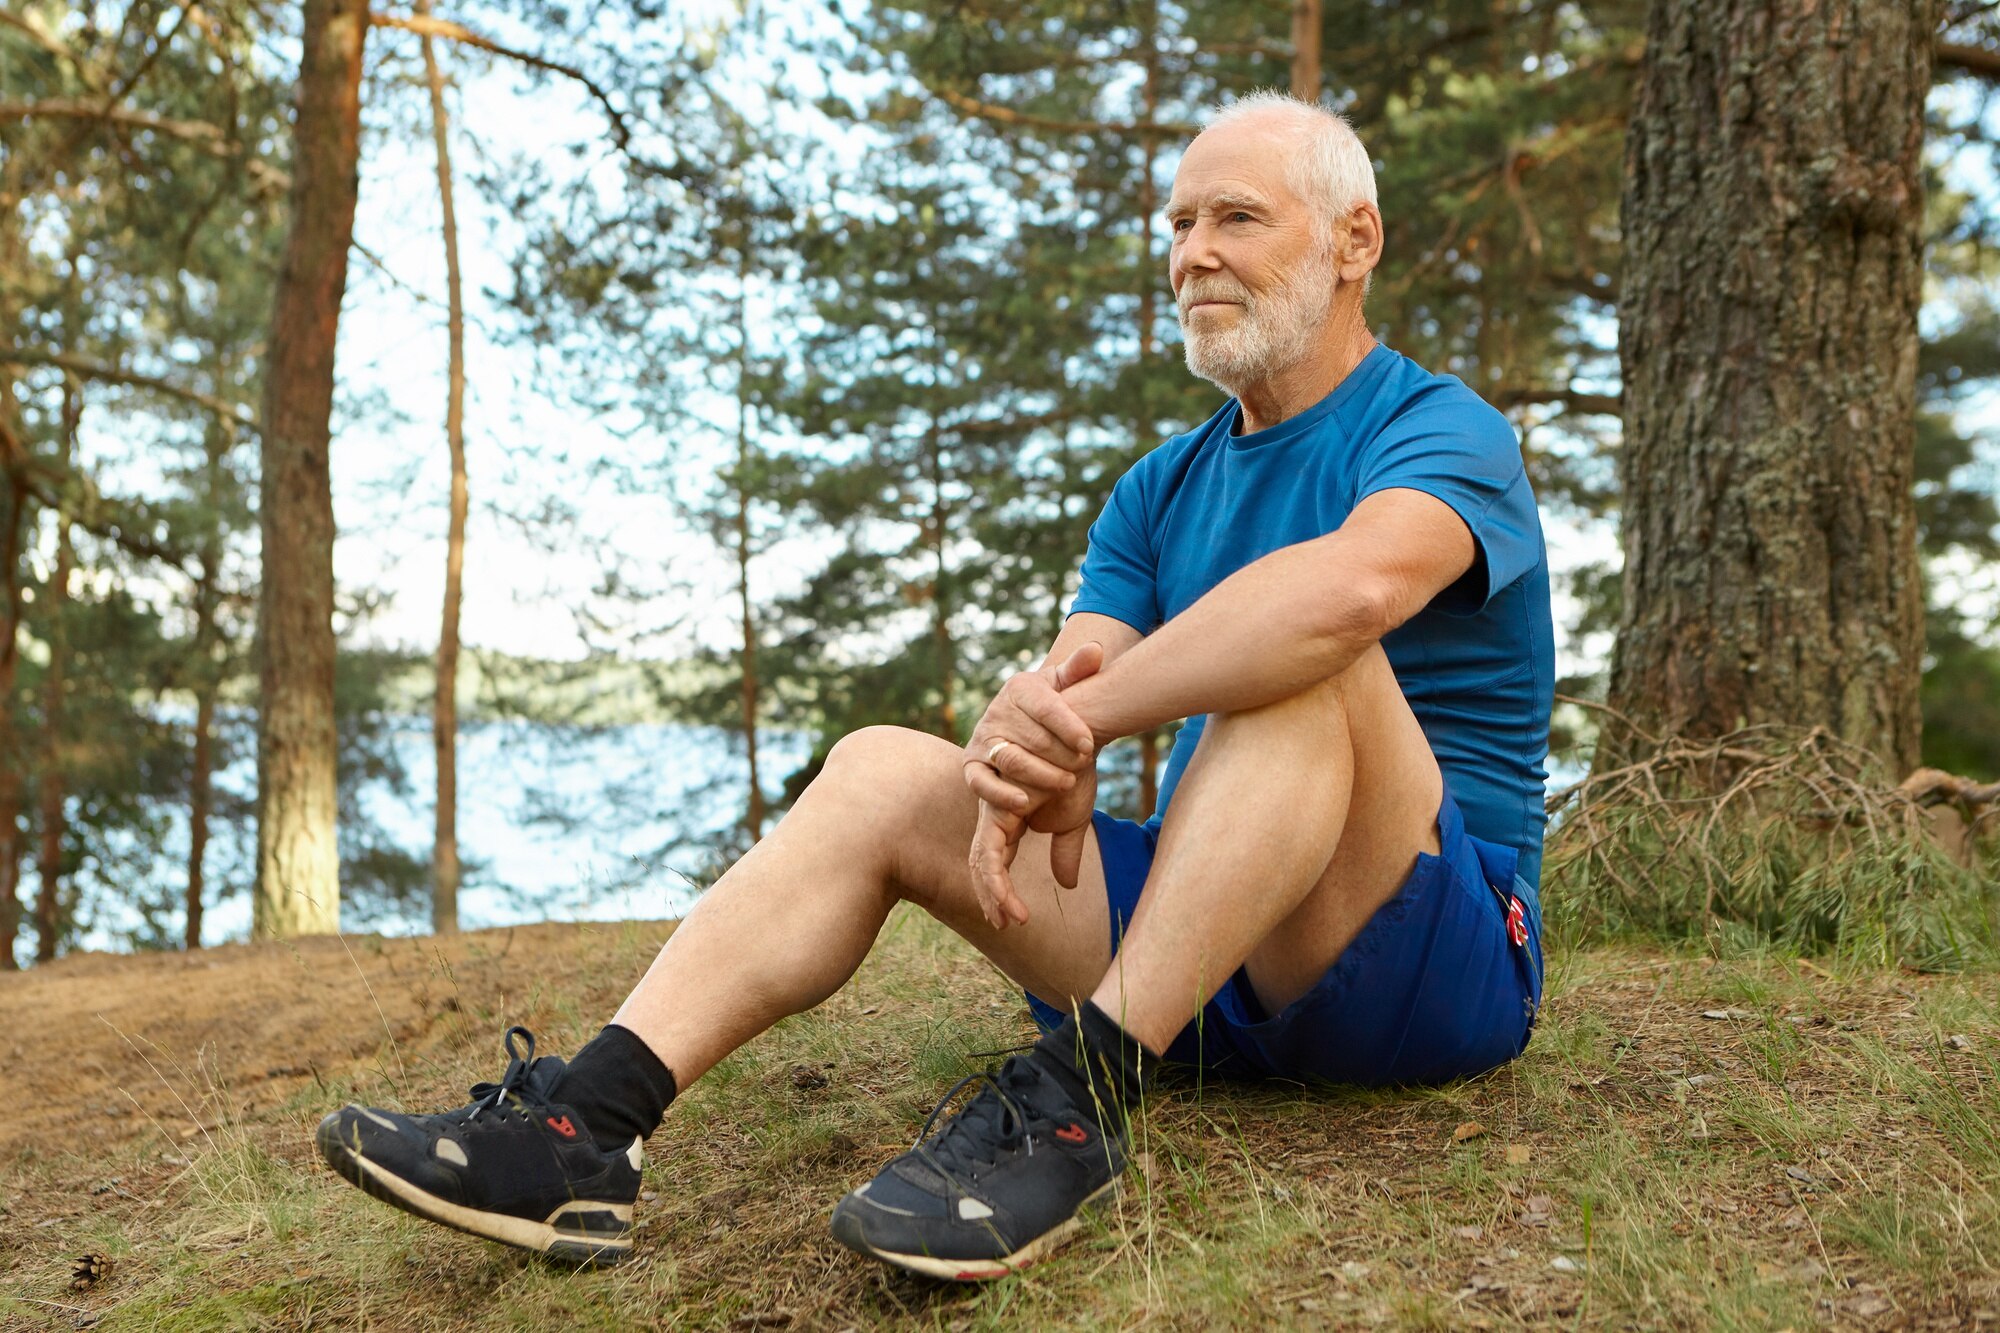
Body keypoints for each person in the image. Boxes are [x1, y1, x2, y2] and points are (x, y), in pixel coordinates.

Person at [316, 91, 1554, 1280]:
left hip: (1423, 957)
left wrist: (1077, 719)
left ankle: (1074, 1112)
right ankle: (581, 1132)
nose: (1190, 256)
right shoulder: (1157, 488)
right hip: (1205, 964)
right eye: (1176, 227)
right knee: (876, 769)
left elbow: (1340, 600)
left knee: (1310, 667)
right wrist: (1037, 755)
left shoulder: (1443, 432)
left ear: (1354, 241)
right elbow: (1080, 678)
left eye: (1233, 218)